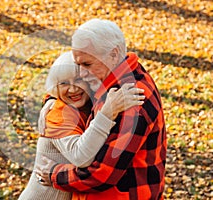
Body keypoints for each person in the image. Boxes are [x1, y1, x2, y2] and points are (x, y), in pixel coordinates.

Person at [35, 19, 166, 200]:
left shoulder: (129, 100)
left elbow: (100, 174)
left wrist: (53, 174)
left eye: (87, 65)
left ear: (113, 54)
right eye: (78, 64)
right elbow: (72, 86)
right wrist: (53, 99)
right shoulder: (114, 76)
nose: (81, 73)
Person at [18, 51, 145, 200]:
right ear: (55, 88)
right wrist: (107, 113)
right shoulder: (56, 113)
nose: (72, 89)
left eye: (78, 80)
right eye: (63, 83)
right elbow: (81, 157)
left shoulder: (86, 106)